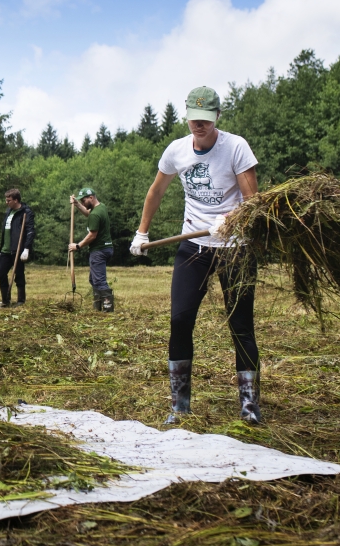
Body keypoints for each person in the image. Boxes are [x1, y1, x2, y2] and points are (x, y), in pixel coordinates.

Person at [129, 87, 262, 424]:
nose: (198, 125)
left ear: (217, 116)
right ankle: (180, 407)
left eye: (205, 119)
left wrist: (232, 222)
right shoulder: (176, 151)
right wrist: (142, 231)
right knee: (179, 321)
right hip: (194, 247)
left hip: (236, 249)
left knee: (241, 325)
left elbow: (255, 202)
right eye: (193, 119)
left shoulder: (235, 147)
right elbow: (156, 190)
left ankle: (249, 407)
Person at [69, 187, 114, 312]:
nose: (83, 203)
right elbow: (88, 213)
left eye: (83, 201)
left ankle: (107, 309)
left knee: (99, 281)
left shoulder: (95, 214)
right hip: (107, 248)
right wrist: (77, 205)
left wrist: (77, 246)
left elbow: (92, 235)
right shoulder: (101, 207)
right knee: (93, 279)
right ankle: (97, 306)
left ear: (91, 198)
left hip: (99, 251)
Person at [0, 188, 35, 307]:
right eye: (6, 200)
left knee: (19, 273)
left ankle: (20, 300)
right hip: (5, 249)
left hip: (18, 248)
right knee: (1, 272)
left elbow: (30, 231)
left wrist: (27, 248)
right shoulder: (8, 212)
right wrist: (1, 247)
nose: (6, 202)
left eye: (9, 200)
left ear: (16, 200)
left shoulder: (26, 212)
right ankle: (5, 300)